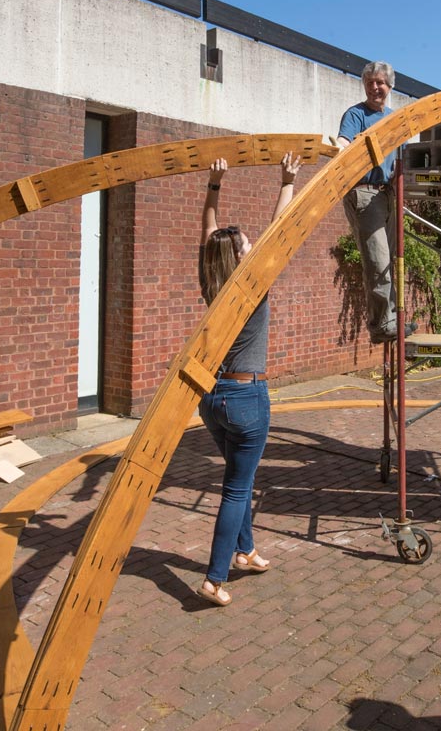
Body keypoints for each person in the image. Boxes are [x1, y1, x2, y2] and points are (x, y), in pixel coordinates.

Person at [195, 152, 299, 606]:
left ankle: (246, 551)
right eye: (245, 244)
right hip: (245, 397)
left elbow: (209, 238)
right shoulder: (251, 286)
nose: (253, 244)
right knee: (238, 489)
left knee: (242, 476)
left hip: (212, 399)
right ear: (240, 257)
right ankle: (215, 578)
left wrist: (214, 186)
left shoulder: (212, 281)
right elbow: (282, 229)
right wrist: (287, 181)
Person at [336, 60, 401, 344]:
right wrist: (340, 148)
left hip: (387, 194)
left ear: (390, 86)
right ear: (365, 85)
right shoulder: (356, 115)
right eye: (370, 82)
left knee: (391, 263)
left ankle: (393, 320)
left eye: (380, 82)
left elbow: (400, 160)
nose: (375, 87)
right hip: (364, 192)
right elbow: (342, 143)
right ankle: (381, 326)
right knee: (378, 261)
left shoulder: (394, 119)